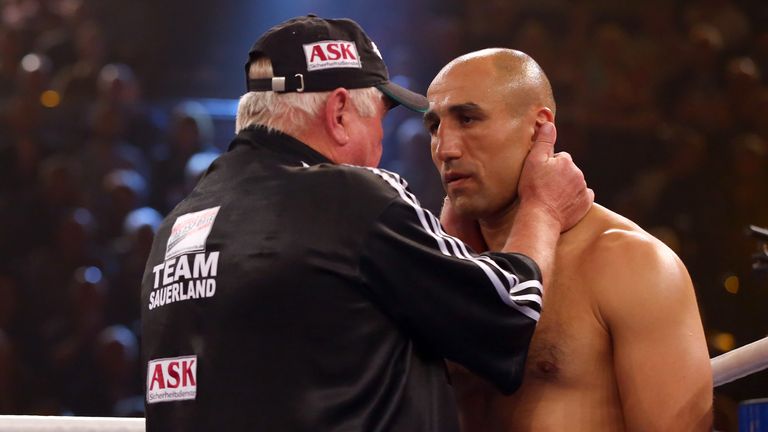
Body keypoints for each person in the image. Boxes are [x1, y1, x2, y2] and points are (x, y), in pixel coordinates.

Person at [141, 16, 592, 432]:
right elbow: (509, 312)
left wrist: (439, 245)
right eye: (379, 117)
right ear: (339, 114)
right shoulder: (352, 197)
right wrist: (543, 208)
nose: (382, 142)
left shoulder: (177, 227)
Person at [425, 48, 713, 431]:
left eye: (468, 118)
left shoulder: (630, 263)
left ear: (539, 127)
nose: (446, 148)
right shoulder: (433, 265)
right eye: (434, 126)